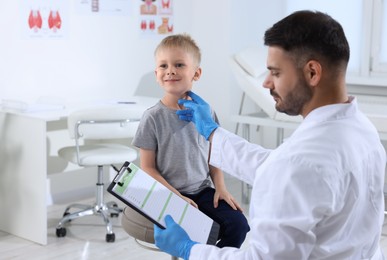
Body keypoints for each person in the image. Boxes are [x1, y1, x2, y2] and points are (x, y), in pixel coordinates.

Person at [154, 10, 387, 260]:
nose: (266, 83)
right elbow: (278, 167)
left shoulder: (300, 163)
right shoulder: (362, 130)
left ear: (312, 73)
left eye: (275, 72)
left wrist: (190, 250)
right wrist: (213, 134)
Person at [131, 34, 250, 249]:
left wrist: (220, 187)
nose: (170, 70)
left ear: (196, 73)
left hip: (202, 190)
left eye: (179, 64)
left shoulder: (206, 113)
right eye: (163, 65)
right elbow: (147, 167)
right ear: (157, 74)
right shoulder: (152, 118)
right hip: (167, 193)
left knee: (238, 225)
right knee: (197, 232)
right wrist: (175, 197)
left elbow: (214, 154)